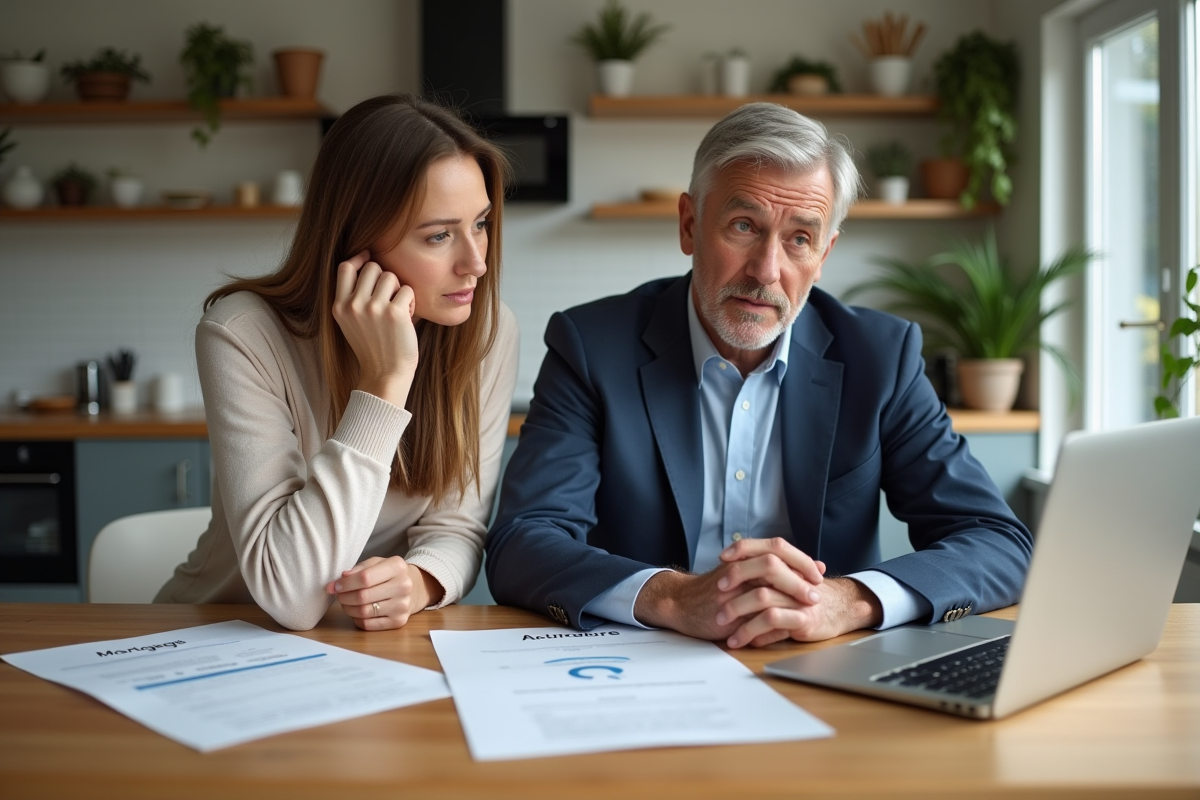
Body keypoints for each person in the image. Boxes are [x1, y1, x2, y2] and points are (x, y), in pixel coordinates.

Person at [486, 102, 1031, 649]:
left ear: (824, 255)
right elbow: (523, 541)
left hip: (824, 667)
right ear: (690, 224)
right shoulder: (592, 347)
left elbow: (996, 540)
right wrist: (673, 597)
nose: (766, 270)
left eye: (799, 237)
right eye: (744, 226)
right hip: (640, 661)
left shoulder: (880, 357)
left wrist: (847, 600)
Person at [156, 94, 519, 632]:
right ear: (356, 240)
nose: (477, 263)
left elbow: (458, 526)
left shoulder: (486, 332)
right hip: (218, 631)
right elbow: (294, 597)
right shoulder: (243, 334)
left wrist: (419, 582)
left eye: (481, 224)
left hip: (366, 646)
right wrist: (385, 382)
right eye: (439, 235)